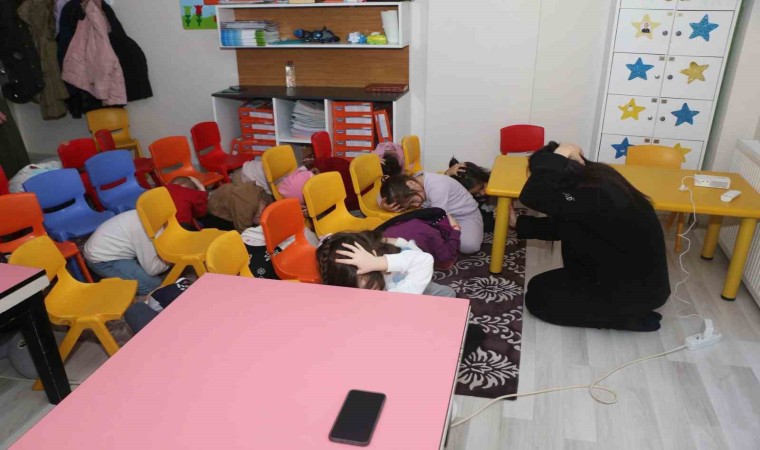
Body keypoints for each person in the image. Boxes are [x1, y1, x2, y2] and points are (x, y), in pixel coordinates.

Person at [516, 141, 670, 331]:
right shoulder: (593, 181)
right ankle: (626, 311)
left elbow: (532, 195)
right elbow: (569, 228)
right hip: (616, 276)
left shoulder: (593, 193)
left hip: (632, 291)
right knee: (537, 285)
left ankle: (628, 319)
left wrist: (562, 152)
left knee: (538, 300)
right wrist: (518, 224)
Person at [317, 230, 456, 297]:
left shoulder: (399, 280)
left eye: (369, 282)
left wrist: (379, 262)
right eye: (363, 288)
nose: (372, 290)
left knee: (448, 294)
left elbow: (423, 260)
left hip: (410, 278)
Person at [379, 172, 483, 254]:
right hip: (439, 215)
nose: (416, 205)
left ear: (412, 184)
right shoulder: (411, 183)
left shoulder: (437, 186)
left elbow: (438, 216)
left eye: (412, 201)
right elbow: (380, 196)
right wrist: (382, 204)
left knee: (469, 246)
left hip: (465, 216)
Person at [84, 210, 169, 296]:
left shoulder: (148, 213)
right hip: (102, 260)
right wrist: (171, 260)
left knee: (153, 261)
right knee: (155, 286)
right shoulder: (147, 230)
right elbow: (152, 269)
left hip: (102, 248)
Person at [375, 207, 461, 270]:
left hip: (375, 253)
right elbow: (445, 257)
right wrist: (456, 230)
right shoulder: (431, 233)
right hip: (391, 265)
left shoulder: (404, 221)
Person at [445, 158, 496, 232]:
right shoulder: (463, 197)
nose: (482, 193)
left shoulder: (493, 180)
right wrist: (447, 175)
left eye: (482, 187)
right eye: (475, 193)